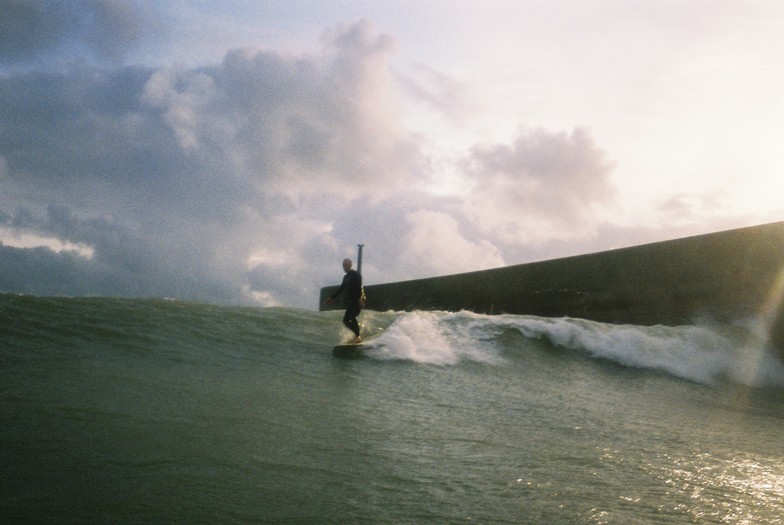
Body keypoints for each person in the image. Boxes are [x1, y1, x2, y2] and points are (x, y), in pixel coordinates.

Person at [324, 258, 365, 343]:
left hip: (358, 300)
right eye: (343, 265)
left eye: (346, 265)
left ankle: (357, 336)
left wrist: (360, 299)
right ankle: (358, 334)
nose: (344, 267)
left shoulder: (355, 274)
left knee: (352, 317)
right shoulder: (346, 277)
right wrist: (331, 297)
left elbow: (359, 287)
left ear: (350, 265)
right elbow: (341, 289)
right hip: (353, 301)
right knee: (345, 320)